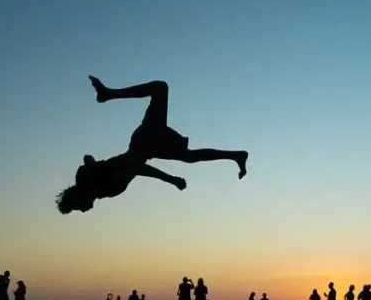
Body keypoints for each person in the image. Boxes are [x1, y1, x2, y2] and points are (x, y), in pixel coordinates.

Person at [56, 78, 249, 214]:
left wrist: (171, 179)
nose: (82, 210)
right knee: (189, 156)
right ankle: (236, 156)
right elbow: (87, 158)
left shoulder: (107, 188)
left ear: (79, 198)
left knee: (160, 88)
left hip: (146, 144)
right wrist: (94, 163)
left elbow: (138, 167)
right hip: (142, 143)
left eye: (78, 208)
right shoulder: (84, 177)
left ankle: (109, 94)